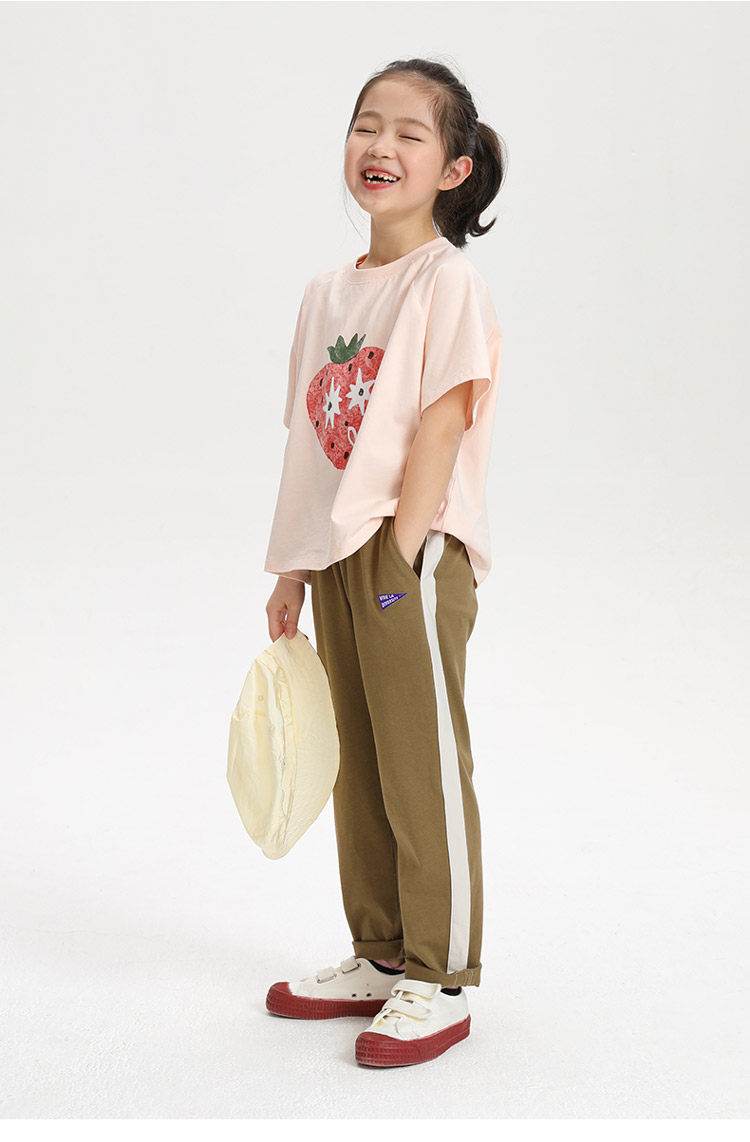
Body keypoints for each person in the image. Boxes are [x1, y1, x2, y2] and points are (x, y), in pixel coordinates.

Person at [262, 57, 506, 1068]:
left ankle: (440, 976)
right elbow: (310, 444)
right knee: (358, 764)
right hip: (336, 555)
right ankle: (380, 953)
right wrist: (292, 567)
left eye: (410, 133)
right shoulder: (327, 293)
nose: (381, 146)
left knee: (423, 763)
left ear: (453, 168)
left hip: (410, 553)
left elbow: (443, 423)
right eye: (368, 125)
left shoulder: (446, 280)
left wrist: (401, 556)